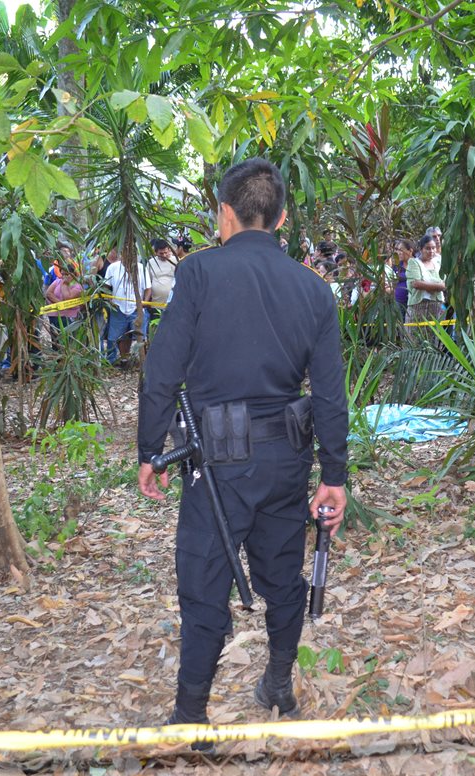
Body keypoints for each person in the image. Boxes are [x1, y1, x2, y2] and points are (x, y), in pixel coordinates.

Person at [136, 158, 347, 738]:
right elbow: (330, 393)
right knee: (282, 574)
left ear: (224, 213)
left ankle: (190, 713)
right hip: (286, 461)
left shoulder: (199, 273)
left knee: (204, 581)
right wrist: (335, 473)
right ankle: (277, 683)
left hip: (216, 465)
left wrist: (148, 450)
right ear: (280, 217)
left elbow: (161, 374)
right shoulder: (314, 289)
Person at [102, 249, 144, 366]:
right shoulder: (113, 268)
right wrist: (109, 300)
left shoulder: (141, 268)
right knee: (113, 337)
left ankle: (141, 361)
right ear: (121, 255)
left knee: (140, 336)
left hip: (136, 308)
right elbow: (106, 286)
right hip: (117, 307)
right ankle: (111, 361)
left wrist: (142, 304)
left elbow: (147, 288)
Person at [405, 234, 445, 339]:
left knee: (433, 338)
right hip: (417, 307)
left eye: (433, 248)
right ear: (421, 249)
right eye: (427, 248)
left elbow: (445, 283)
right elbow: (416, 283)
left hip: (435, 307)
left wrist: (428, 285)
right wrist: (438, 286)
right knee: (414, 338)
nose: (431, 251)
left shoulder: (438, 263)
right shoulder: (414, 263)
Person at [142, 239, 178, 337]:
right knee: (155, 331)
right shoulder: (151, 263)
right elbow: (147, 283)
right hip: (155, 305)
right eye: (161, 253)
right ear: (156, 252)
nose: (164, 255)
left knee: (171, 331)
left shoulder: (176, 261)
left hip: (172, 304)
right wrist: (145, 301)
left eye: (166, 252)